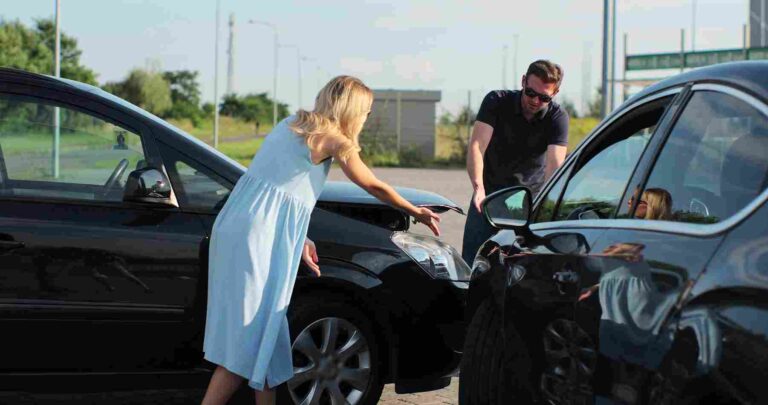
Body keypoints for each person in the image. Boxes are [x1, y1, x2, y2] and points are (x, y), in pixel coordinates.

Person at [200, 76, 441, 405]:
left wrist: (300, 236)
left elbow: (278, 188)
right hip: (257, 237)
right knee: (250, 341)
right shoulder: (335, 140)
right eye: (366, 111)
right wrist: (414, 209)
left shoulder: (291, 124)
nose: (367, 118)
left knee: (266, 340)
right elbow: (372, 185)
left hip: (237, 224)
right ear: (352, 109)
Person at [462, 60, 569, 264]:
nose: (536, 101)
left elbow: (555, 166)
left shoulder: (557, 117)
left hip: (527, 201)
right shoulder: (496, 101)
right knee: (472, 265)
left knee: (519, 270)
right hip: (488, 197)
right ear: (523, 81)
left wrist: (548, 207)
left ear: (555, 93)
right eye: (530, 93)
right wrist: (478, 187)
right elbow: (477, 146)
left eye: (544, 97)